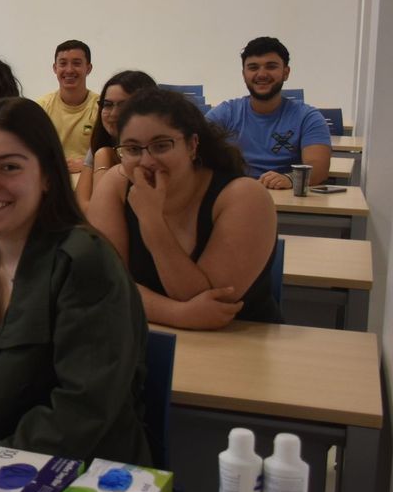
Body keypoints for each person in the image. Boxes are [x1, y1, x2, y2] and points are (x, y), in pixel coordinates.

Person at [0, 97, 150, 464]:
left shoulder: (85, 265)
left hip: (73, 485)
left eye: (9, 167)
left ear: (48, 175)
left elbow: (82, 410)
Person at [87, 89, 280, 328]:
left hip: (236, 346)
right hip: (144, 337)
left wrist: (152, 222)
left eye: (161, 145)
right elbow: (101, 284)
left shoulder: (245, 197)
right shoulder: (116, 183)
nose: (146, 161)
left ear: (192, 145)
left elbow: (206, 304)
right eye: (133, 149)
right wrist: (178, 314)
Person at [206, 36, 331, 189]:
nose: (262, 74)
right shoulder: (226, 113)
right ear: (244, 74)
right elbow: (191, 147)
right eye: (253, 67)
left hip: (285, 201)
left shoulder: (308, 118)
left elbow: (319, 169)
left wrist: (289, 179)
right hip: (235, 196)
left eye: (271, 66)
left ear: (286, 72)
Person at [74, 70, 156, 209]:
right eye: (107, 105)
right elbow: (81, 204)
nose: (113, 113)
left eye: (124, 105)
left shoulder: (153, 155)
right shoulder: (101, 144)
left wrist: (103, 158)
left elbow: (102, 212)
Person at [35, 40, 99, 173]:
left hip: (90, 182)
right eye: (63, 64)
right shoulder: (41, 108)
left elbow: (115, 153)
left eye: (76, 63)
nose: (69, 70)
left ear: (88, 68)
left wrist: (88, 164)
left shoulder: (102, 107)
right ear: (55, 68)